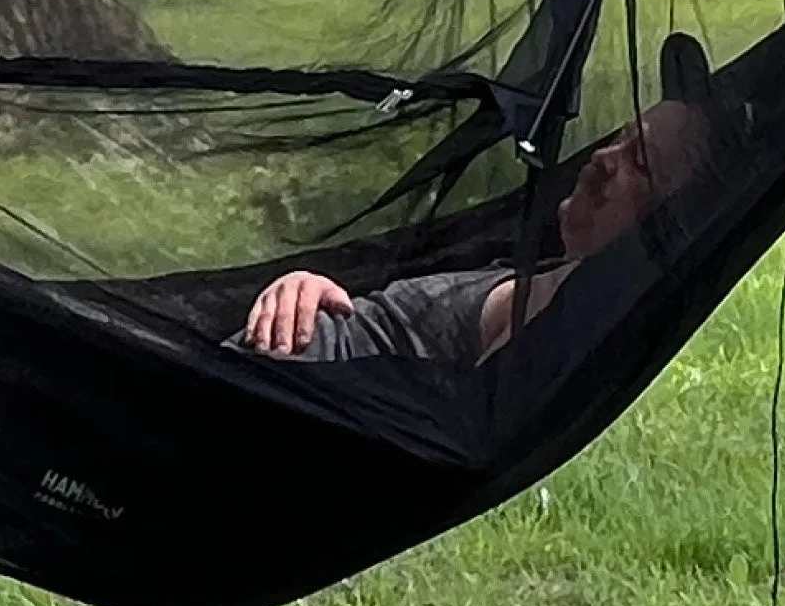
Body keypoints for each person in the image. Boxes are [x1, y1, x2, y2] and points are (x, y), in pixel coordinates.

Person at [235, 43, 729, 368]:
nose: (603, 159)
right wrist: (312, 288)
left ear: (666, 224)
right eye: (620, 139)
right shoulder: (550, 269)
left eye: (638, 163)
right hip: (274, 356)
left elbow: (459, 411)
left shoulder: (566, 318)